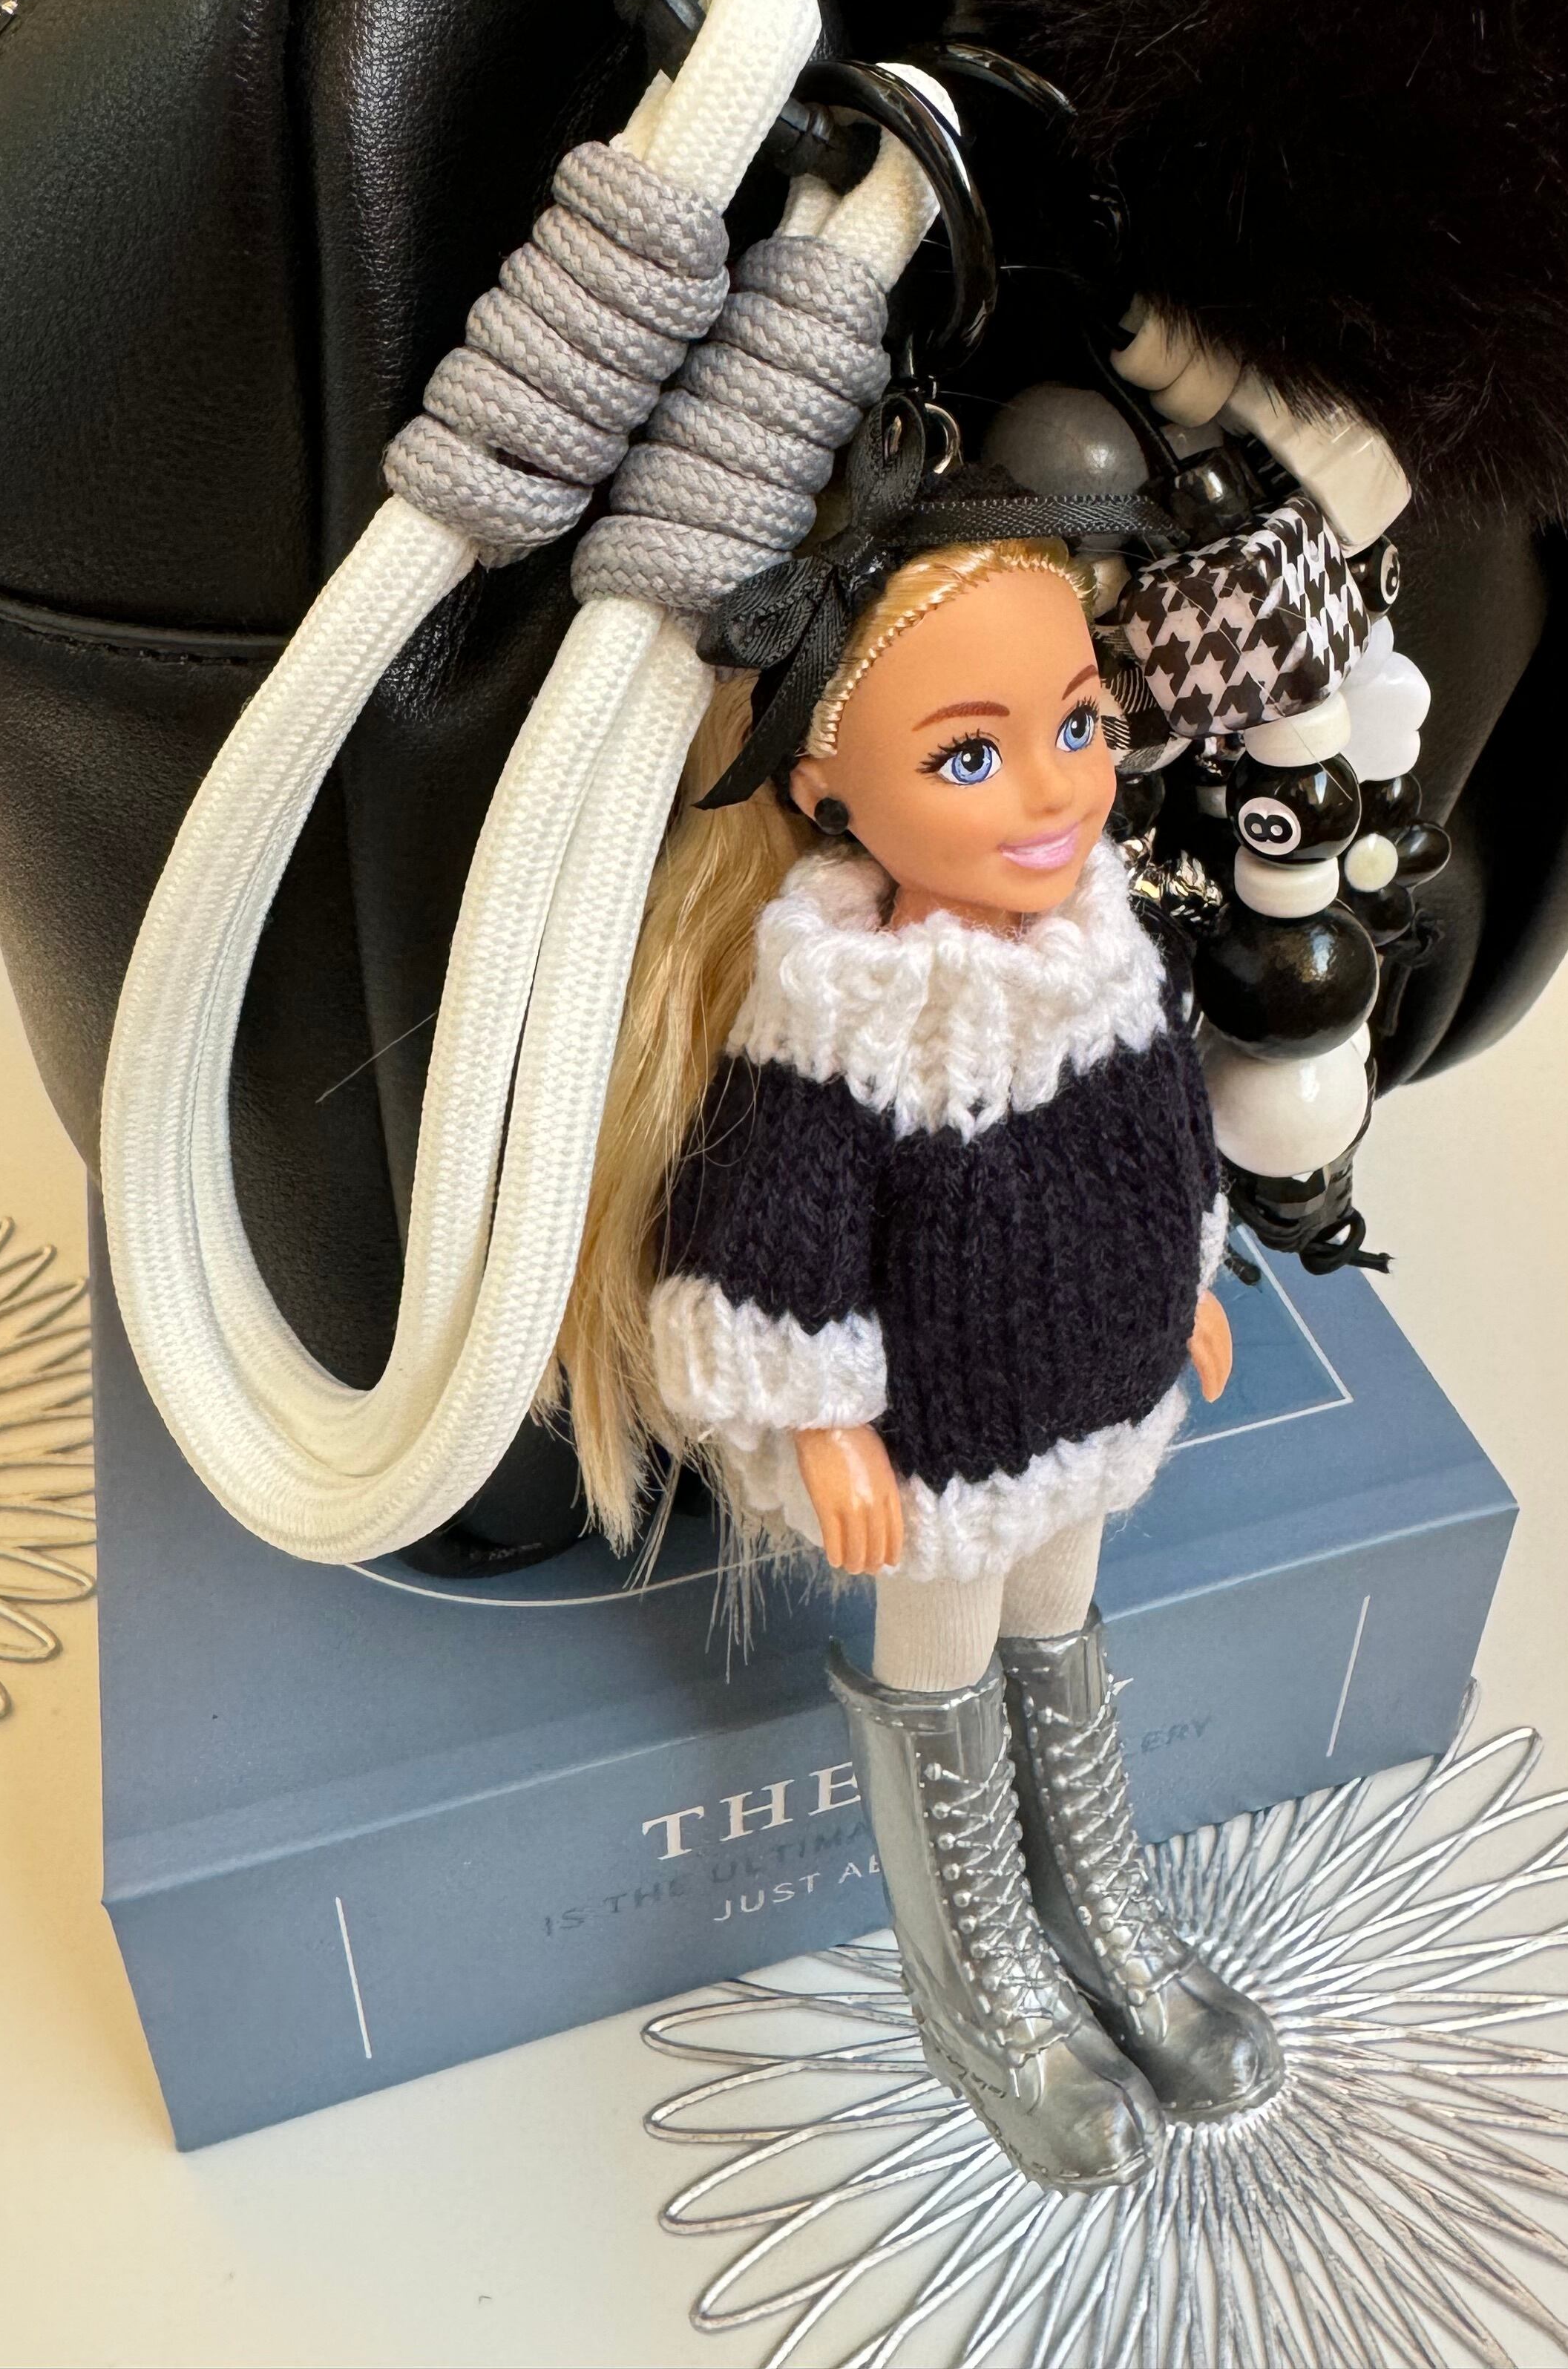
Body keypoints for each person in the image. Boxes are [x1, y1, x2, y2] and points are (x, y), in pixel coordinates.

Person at [557, 416, 1282, 2189]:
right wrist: (821, 1420)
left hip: (1092, 1391)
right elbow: (773, 1236)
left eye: (1078, 726)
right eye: (971, 754)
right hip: (942, 1436)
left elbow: (1155, 1143)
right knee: (949, 1655)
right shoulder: (837, 1009)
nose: (1053, 791)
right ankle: (977, 1981)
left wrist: (1183, 1286)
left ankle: (1100, 1904)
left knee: (1065, 1628)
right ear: (827, 790)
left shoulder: (1109, 946)